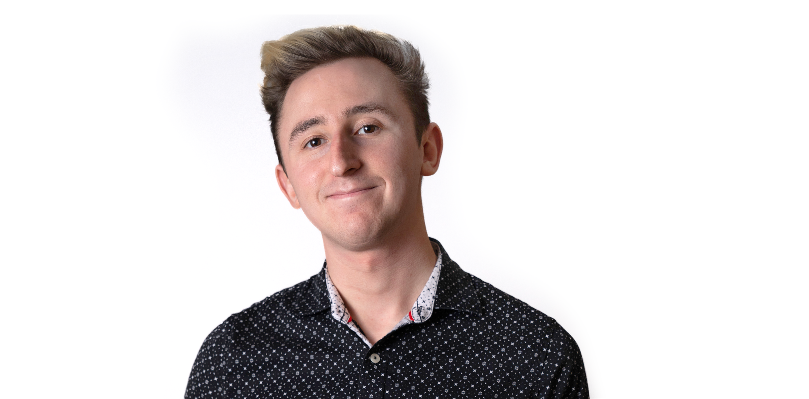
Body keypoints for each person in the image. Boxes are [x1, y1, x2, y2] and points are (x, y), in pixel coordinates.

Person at [185, 25, 589, 399]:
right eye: (313, 141)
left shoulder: (536, 356)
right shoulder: (231, 365)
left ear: (427, 150)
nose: (341, 162)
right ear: (288, 184)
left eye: (367, 128)